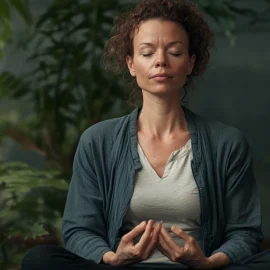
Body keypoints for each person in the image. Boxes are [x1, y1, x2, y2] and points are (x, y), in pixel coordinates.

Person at [21, 0, 270, 269]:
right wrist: (114, 257)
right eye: (147, 52)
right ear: (131, 64)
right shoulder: (98, 141)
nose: (161, 61)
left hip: (200, 269)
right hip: (123, 268)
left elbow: (245, 233)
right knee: (40, 260)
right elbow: (79, 230)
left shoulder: (227, 144)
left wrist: (207, 262)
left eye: (174, 52)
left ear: (190, 63)